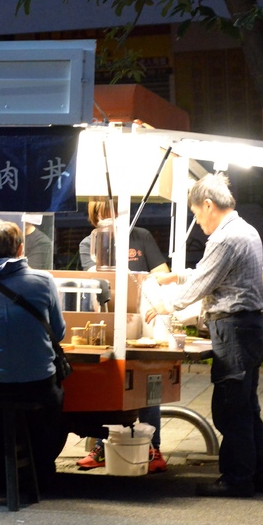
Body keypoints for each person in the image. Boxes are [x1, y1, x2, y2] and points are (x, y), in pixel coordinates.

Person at [145, 173, 263, 497]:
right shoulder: (246, 230)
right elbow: (213, 273)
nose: (199, 222)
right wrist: (178, 275)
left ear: (208, 204)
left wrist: (164, 305)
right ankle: (260, 476)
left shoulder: (225, 238)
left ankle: (237, 480)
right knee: (247, 408)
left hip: (234, 330)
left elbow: (202, 284)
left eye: (197, 214)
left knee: (231, 410)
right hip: (249, 328)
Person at [0, 220, 66, 488]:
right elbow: (59, 332)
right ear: (21, 249)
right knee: (55, 398)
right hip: (39, 386)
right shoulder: (44, 281)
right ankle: (42, 468)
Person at [76, 198, 169, 474]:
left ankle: (153, 447)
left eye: (114, 211)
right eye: (102, 214)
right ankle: (103, 446)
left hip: (143, 320)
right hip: (106, 321)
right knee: (109, 384)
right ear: (94, 217)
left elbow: (162, 273)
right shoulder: (89, 242)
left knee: (148, 383)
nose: (109, 218)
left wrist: (139, 280)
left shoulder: (141, 236)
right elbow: (95, 280)